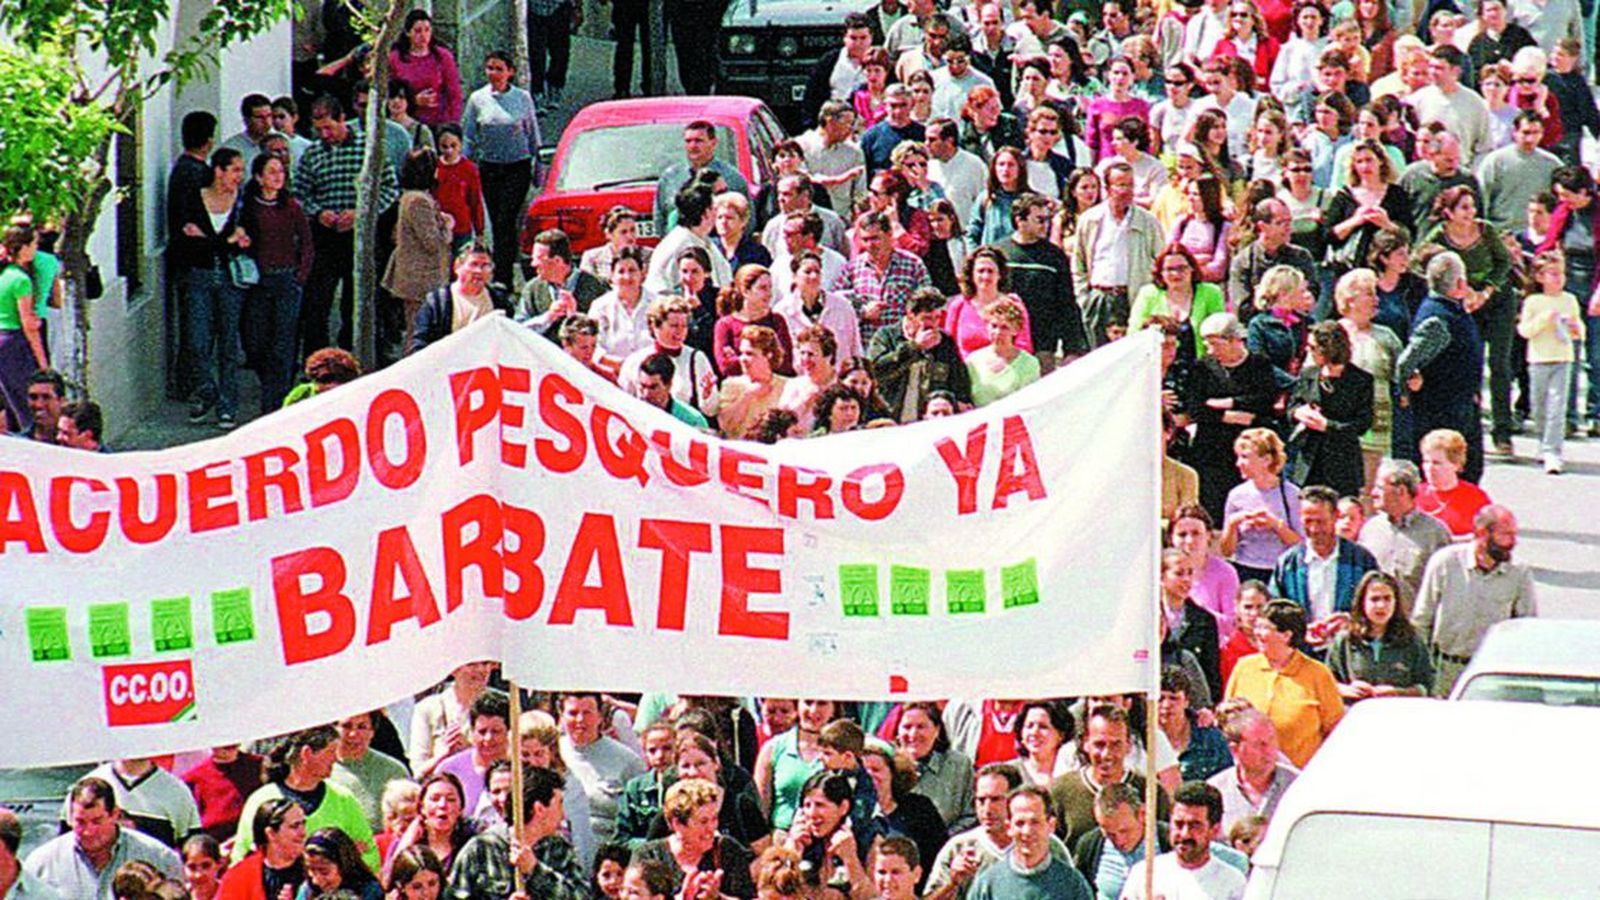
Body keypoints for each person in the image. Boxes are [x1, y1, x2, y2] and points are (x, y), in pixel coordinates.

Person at [1413, 505, 1538, 696]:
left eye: (1514, 534)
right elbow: (1422, 618)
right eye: (1505, 535)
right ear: (1481, 533)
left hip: (1491, 674)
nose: (1513, 542)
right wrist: (1422, 669)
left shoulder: (1519, 573)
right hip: (1445, 670)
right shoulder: (1445, 562)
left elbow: (1526, 628)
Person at [173, 148, 250, 430]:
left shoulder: (242, 202)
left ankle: (227, 405)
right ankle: (207, 389)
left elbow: (247, 238)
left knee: (229, 342)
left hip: (230, 278)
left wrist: (207, 240)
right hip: (199, 276)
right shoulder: (194, 198)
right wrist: (225, 242)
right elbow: (184, 240)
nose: (240, 176)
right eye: (235, 170)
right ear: (219, 171)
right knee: (198, 340)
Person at [1396, 252, 1489, 484]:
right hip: (1441, 412)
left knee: (1469, 471)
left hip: (1460, 406)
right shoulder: (1437, 319)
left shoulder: (1453, 310)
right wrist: (1407, 391)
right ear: (1460, 283)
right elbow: (1406, 363)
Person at [231, 727, 378, 871]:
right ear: (307, 754)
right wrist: (341, 853)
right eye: (331, 752)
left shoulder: (343, 798)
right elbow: (243, 858)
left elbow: (370, 854)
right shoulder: (261, 800)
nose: (336, 759)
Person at [1224, 600, 1345, 768]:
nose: (1257, 633)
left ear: (1287, 635)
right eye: (1257, 627)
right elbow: (1227, 717)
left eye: (1265, 628)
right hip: (1251, 773)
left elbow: (1336, 731)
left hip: (1300, 777)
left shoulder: (1318, 674)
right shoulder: (1244, 667)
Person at [237, 152, 313, 413]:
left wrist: (299, 277)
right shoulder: (247, 207)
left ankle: (276, 403)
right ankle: (269, 385)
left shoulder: (291, 206)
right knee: (256, 341)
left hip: (286, 280)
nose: (278, 177)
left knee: (283, 342)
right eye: (271, 172)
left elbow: (306, 243)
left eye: (281, 171)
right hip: (258, 282)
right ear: (259, 177)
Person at [24, 779, 180, 899]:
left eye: (97, 821)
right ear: (70, 818)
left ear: (115, 814)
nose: (88, 831)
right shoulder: (42, 863)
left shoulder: (157, 857)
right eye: (80, 822)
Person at [447, 767, 589, 898]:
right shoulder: (481, 849)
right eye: (559, 804)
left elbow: (581, 896)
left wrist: (536, 871)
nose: (563, 815)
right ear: (539, 809)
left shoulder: (559, 849)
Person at [462, 51, 540, 290]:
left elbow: (532, 132)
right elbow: (469, 136)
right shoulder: (477, 99)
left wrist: (538, 164)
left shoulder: (522, 98)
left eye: (498, 68)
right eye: (490, 68)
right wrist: (464, 166)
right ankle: (500, 270)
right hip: (490, 167)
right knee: (496, 221)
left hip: (517, 166)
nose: (493, 74)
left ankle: (503, 277)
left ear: (510, 72)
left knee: (507, 219)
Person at [1047, 706, 1170, 847]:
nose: (1106, 754)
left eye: (1116, 744)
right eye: (1099, 744)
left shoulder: (1152, 792)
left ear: (1128, 745)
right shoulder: (1060, 792)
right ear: (1085, 743)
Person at [1071, 162, 1163, 347]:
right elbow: (1078, 263)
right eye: (1121, 185)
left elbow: (1160, 262)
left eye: (1130, 185)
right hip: (1099, 298)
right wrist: (1084, 298)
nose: (1127, 190)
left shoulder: (1148, 222)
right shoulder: (1090, 220)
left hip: (1133, 298)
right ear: (1107, 188)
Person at [1268, 485, 1380, 635]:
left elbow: (1377, 604)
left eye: (1320, 522)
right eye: (1308, 521)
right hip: (1303, 652)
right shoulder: (1288, 564)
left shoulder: (1361, 560)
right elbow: (1275, 611)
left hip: (1349, 648)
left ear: (1335, 516)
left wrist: (1351, 621)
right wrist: (1301, 631)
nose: (1314, 529)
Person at [1516, 249, 1585, 473]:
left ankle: (1553, 451)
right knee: (1539, 406)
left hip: (1562, 358)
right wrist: (1544, 320)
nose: (1558, 278)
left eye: (1561, 273)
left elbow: (1579, 330)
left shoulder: (1569, 300)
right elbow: (1525, 330)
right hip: (1538, 359)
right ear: (1540, 277)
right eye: (1552, 274)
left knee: (1557, 405)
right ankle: (1541, 440)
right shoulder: (1534, 302)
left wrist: (1575, 328)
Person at [381, 149, 454, 359]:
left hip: (417, 277)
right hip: (420, 279)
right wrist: (447, 226)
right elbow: (432, 242)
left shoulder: (411, 198)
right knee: (418, 330)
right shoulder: (417, 201)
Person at [631, 779, 757, 898]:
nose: (711, 828)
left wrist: (717, 898)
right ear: (678, 824)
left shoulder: (728, 850)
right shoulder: (649, 856)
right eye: (703, 821)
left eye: (714, 819)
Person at [1118, 782, 1245, 900]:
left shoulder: (1232, 883)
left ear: (1214, 829)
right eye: (1178, 824)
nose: (1184, 834)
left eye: (1195, 825)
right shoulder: (1144, 874)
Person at [1326, 571, 1434, 701]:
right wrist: (1346, 689)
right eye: (1374, 599)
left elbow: (1426, 687)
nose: (1381, 605)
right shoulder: (1346, 640)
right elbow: (1326, 683)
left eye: (1387, 598)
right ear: (1362, 602)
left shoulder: (1411, 640)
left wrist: (1398, 692)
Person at [1358, 459, 1452, 606]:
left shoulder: (1435, 533)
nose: (1373, 493)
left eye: (1379, 487)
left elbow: (1445, 587)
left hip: (1414, 623)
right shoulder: (1370, 529)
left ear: (1401, 491)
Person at [968, 788, 1092, 899]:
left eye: (1035, 822)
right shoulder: (988, 884)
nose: (1027, 832)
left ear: (1051, 825)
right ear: (1009, 827)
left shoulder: (1071, 884)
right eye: (1020, 823)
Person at [870, 288, 971, 423]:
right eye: (926, 318)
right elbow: (876, 371)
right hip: (891, 419)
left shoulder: (945, 342)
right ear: (910, 314)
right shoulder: (886, 336)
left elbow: (959, 382)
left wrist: (959, 403)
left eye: (937, 317)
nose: (933, 324)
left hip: (928, 422)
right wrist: (914, 347)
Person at [559, 694, 647, 850]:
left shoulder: (628, 761)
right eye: (573, 713)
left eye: (587, 713)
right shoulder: (550, 753)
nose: (580, 720)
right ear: (562, 716)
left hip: (608, 852)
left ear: (600, 716)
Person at [407, 243, 515, 355]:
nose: (479, 271)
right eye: (474, 264)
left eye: (485, 266)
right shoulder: (437, 302)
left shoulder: (499, 301)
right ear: (457, 267)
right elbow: (420, 343)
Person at [1205, 708, 1296, 835]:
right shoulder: (1215, 791)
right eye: (1259, 744)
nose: (1269, 750)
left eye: (1272, 741)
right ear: (1235, 750)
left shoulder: (1299, 786)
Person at [1228, 199, 1319, 324]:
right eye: (1280, 223)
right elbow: (1242, 309)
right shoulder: (1243, 262)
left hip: (1297, 326)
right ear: (1262, 226)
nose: (1288, 228)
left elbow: (1311, 294)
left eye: (1289, 222)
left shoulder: (1301, 256)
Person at [780, 772, 871, 898]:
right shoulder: (798, 839)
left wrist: (850, 859)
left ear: (843, 807)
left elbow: (873, 897)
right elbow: (775, 892)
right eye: (807, 805)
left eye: (820, 805)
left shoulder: (868, 838)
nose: (812, 813)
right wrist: (792, 854)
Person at [654, 123, 750, 237]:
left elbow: (748, 222)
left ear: (713, 143)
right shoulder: (670, 178)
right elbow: (660, 220)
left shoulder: (732, 178)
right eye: (688, 141)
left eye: (699, 141)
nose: (693, 146)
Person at [646, 187, 732, 296]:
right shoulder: (677, 245)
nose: (717, 214)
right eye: (714, 209)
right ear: (705, 213)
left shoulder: (704, 240)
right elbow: (660, 289)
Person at [215, 799, 305, 900]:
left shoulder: (316, 871)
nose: (303, 832)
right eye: (295, 826)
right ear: (271, 833)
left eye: (303, 824)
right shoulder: (239, 877)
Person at [1158, 667, 1232, 784]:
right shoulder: (1141, 740)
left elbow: (1228, 779)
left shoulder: (1211, 739)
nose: (1166, 705)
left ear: (1186, 701)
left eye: (1174, 698)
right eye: (1160, 699)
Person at [588, 247, 656, 369]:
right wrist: (625, 367)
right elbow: (592, 346)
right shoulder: (600, 307)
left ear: (642, 274)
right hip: (611, 375)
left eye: (632, 270)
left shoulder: (657, 304)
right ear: (612, 277)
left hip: (654, 374)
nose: (627, 276)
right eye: (621, 271)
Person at [965, 299, 1041, 407]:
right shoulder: (972, 361)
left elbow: (1031, 402)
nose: (998, 332)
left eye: (1004, 327)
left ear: (1016, 330)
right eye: (994, 326)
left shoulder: (1029, 363)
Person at [300, 827, 382, 900]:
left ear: (344, 866)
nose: (316, 881)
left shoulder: (370, 890)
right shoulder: (308, 890)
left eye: (324, 872)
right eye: (311, 870)